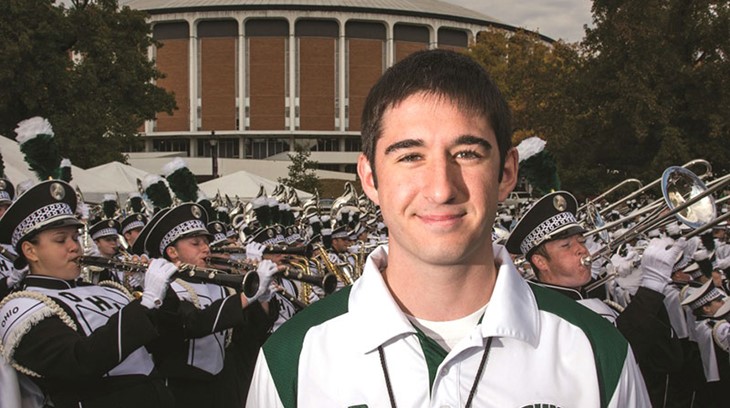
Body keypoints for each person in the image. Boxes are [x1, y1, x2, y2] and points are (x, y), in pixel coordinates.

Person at [247, 49, 649, 407]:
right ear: (370, 178)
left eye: (467, 153)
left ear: (507, 172)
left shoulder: (595, 351)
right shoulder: (292, 358)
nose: (441, 189)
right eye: (410, 156)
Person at [0, 180, 177, 408]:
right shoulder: (23, 308)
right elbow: (79, 363)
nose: (74, 247)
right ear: (30, 250)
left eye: (74, 237)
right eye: (60, 240)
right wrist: (146, 303)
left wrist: (163, 293)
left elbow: (168, 341)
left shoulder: (106, 289)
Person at [505, 191, 683, 407]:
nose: (581, 249)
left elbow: (664, 360)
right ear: (540, 262)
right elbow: (612, 359)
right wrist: (652, 287)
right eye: (566, 246)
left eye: (581, 241)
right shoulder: (538, 312)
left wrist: (635, 289)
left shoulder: (589, 297)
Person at [143, 202, 280, 408]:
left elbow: (248, 338)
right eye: (196, 243)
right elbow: (192, 323)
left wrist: (262, 300)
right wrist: (247, 296)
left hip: (224, 385)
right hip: (183, 390)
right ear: (172, 252)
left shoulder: (222, 286)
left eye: (206, 242)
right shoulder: (166, 289)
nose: (206, 248)